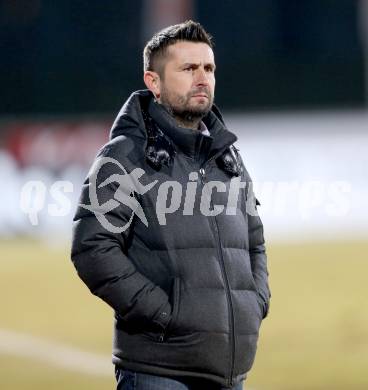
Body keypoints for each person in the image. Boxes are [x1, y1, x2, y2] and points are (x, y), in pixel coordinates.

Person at [71, 20, 271, 390]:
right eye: (188, 68)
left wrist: (255, 303)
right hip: (158, 371)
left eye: (208, 68)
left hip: (229, 372)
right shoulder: (125, 156)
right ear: (154, 82)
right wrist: (164, 313)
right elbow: (92, 248)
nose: (202, 78)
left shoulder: (228, 157)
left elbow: (254, 242)